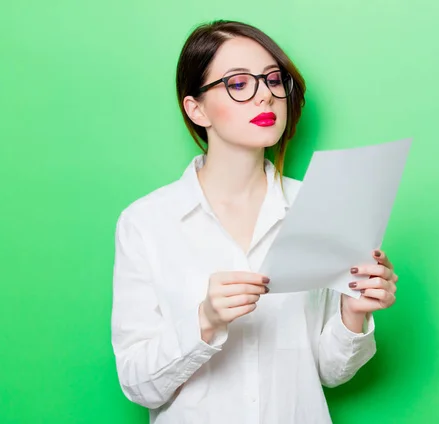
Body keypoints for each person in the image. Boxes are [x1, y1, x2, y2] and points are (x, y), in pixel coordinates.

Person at [110, 19, 398, 424]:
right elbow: (137, 384)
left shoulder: (320, 206)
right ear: (196, 109)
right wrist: (205, 321)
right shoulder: (146, 222)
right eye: (239, 84)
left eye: (273, 80)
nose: (265, 96)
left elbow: (329, 373)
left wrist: (353, 314)